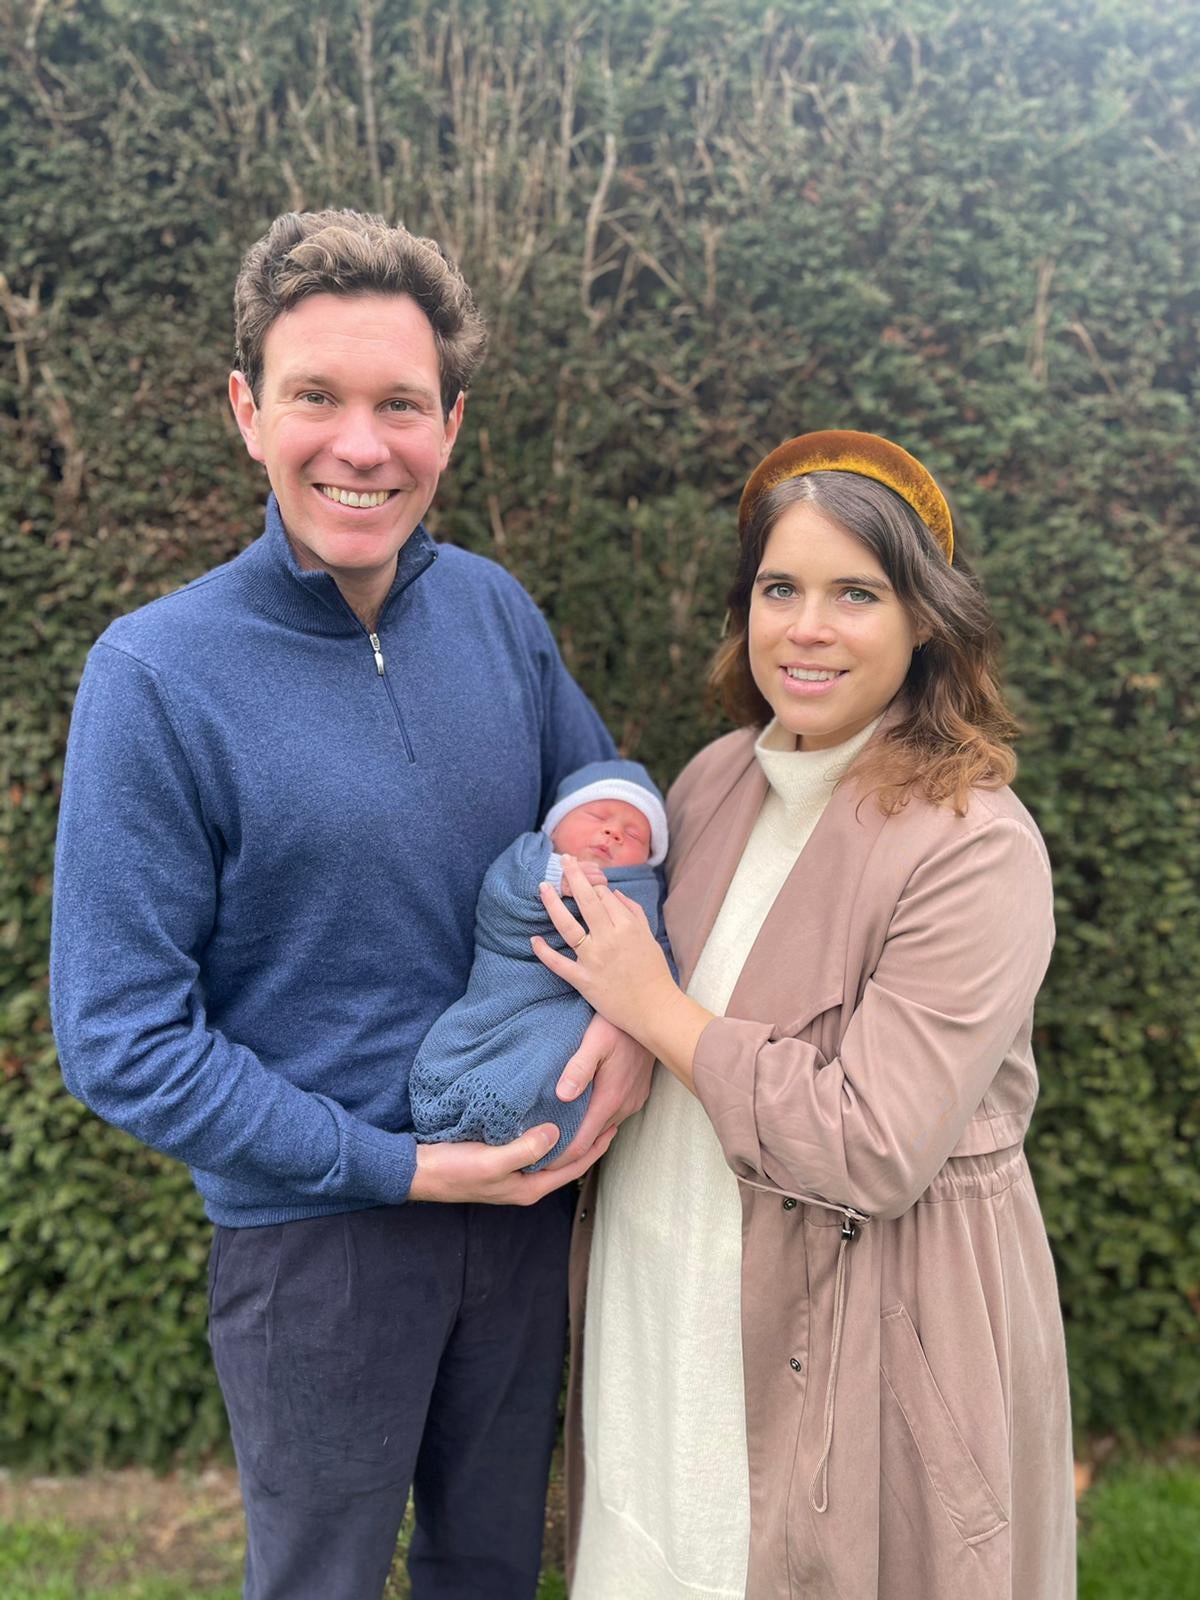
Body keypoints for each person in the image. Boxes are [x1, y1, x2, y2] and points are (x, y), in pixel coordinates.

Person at [49, 209, 653, 1600]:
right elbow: (121, 1038)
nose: (361, 445)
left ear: (451, 422)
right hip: (316, 1246)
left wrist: (637, 1015)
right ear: (247, 411)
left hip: (528, 1211)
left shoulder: (498, 613)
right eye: (316, 396)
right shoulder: (155, 676)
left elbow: (611, 815)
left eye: (400, 403)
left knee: (495, 1568)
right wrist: (395, 1166)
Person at [534, 431, 1076, 1600]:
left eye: (856, 594)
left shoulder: (975, 846)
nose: (808, 628)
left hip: (860, 1327)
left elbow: (870, 1143)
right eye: (781, 588)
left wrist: (656, 1008)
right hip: (660, 1289)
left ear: (926, 617)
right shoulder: (716, 778)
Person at [411, 759, 669, 1168]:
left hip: (576, 1010)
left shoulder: (645, 892)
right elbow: (500, 899)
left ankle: (536, 1130)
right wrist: (555, 879)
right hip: (515, 985)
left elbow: (659, 956)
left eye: (634, 832)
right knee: (500, 1041)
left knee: (560, 1054)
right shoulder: (531, 854)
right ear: (556, 824)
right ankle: (466, 1103)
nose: (613, 832)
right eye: (597, 816)